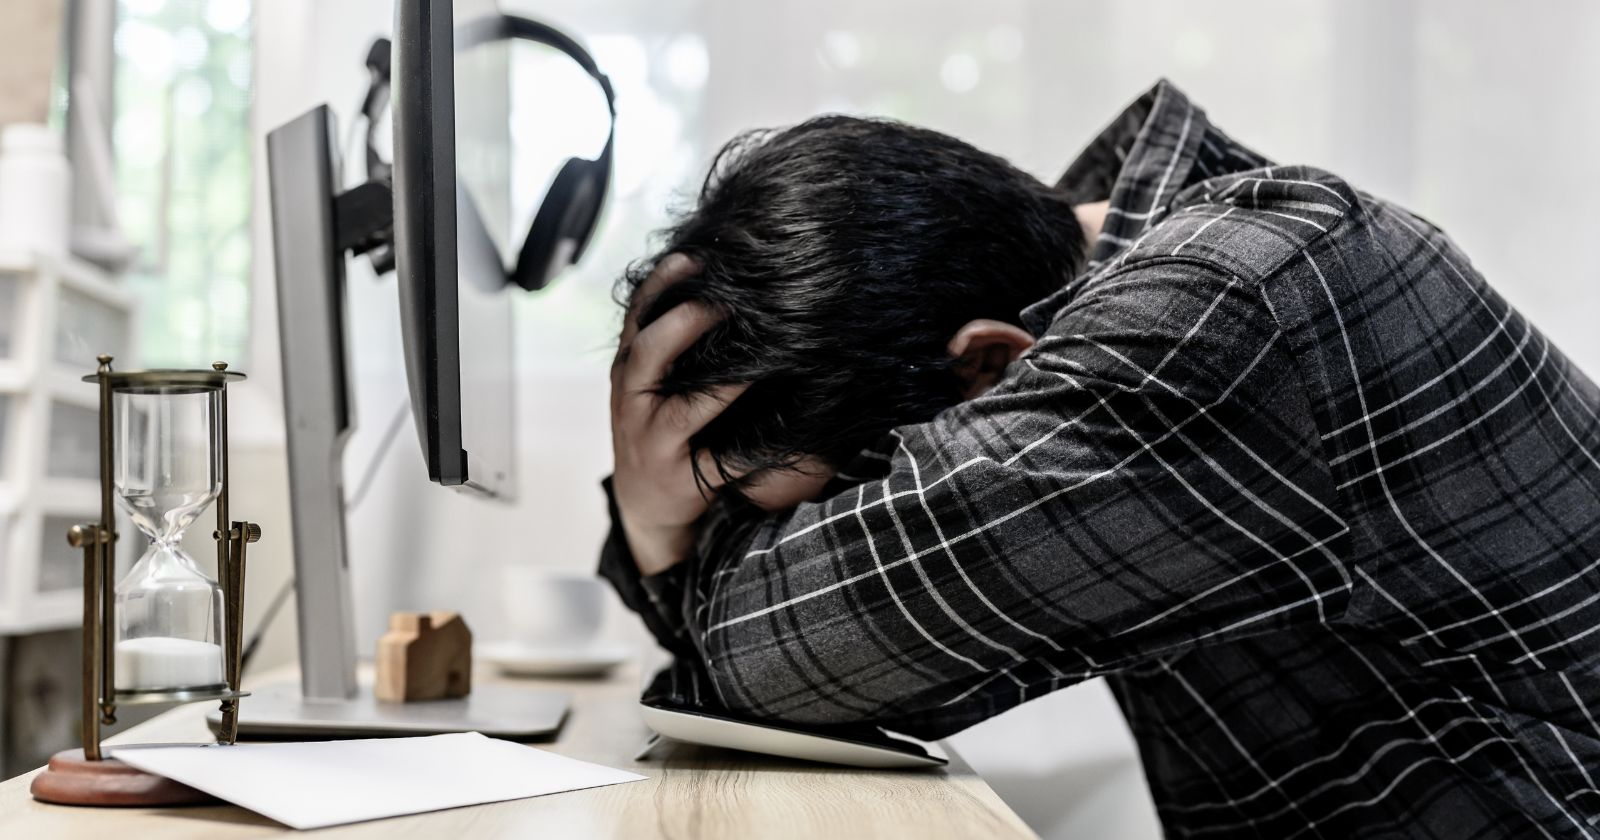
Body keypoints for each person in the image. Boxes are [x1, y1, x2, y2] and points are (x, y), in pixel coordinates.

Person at [600, 80, 1600, 838]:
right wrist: (671, 530)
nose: (775, 542)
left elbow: (783, 667)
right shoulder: (1112, 260)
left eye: (799, 524)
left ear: (989, 366)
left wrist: (656, 523)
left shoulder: (1219, 311)